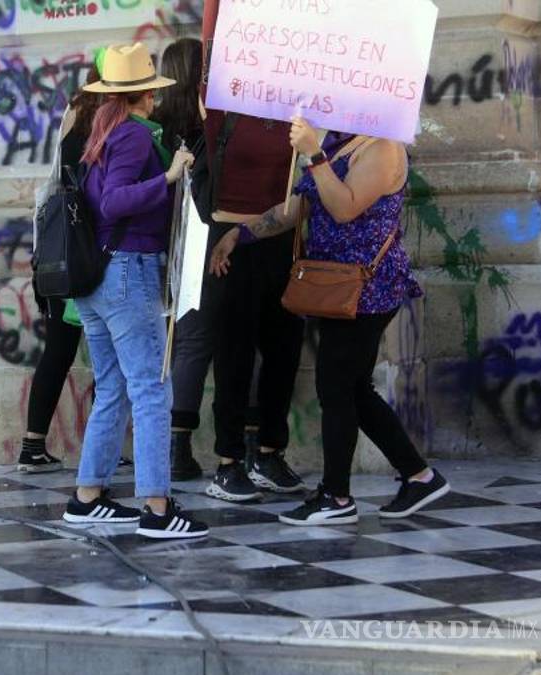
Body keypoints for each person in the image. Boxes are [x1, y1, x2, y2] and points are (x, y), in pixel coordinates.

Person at [210, 117, 451, 525]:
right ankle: (419, 475)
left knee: (336, 387)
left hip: (366, 289)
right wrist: (242, 234)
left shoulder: (383, 148)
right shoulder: (344, 144)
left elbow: (343, 207)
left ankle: (337, 498)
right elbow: (300, 205)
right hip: (335, 286)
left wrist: (314, 153)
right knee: (354, 389)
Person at [60, 43, 207, 539]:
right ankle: (157, 508)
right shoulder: (133, 138)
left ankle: (87, 497)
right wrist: (168, 177)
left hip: (97, 280)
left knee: (115, 387)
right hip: (127, 272)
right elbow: (115, 201)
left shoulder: (101, 132)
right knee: (150, 389)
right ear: (147, 92)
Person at [194, 2, 306, 502]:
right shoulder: (222, 100)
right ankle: (226, 461)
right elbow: (210, 40)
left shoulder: (298, 107)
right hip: (228, 246)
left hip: (280, 240)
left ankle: (269, 452)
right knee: (234, 356)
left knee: (283, 351)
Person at [19, 64, 103, 473]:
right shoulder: (107, 126)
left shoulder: (73, 116)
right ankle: (101, 447)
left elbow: (56, 181)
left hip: (60, 255)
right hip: (90, 254)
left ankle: (32, 444)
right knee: (108, 351)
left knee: (59, 349)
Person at [148, 37, 210, 482]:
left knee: (177, 340)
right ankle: (178, 444)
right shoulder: (200, 127)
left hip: (155, 243)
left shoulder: (156, 124)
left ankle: (175, 442)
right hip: (196, 241)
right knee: (195, 340)